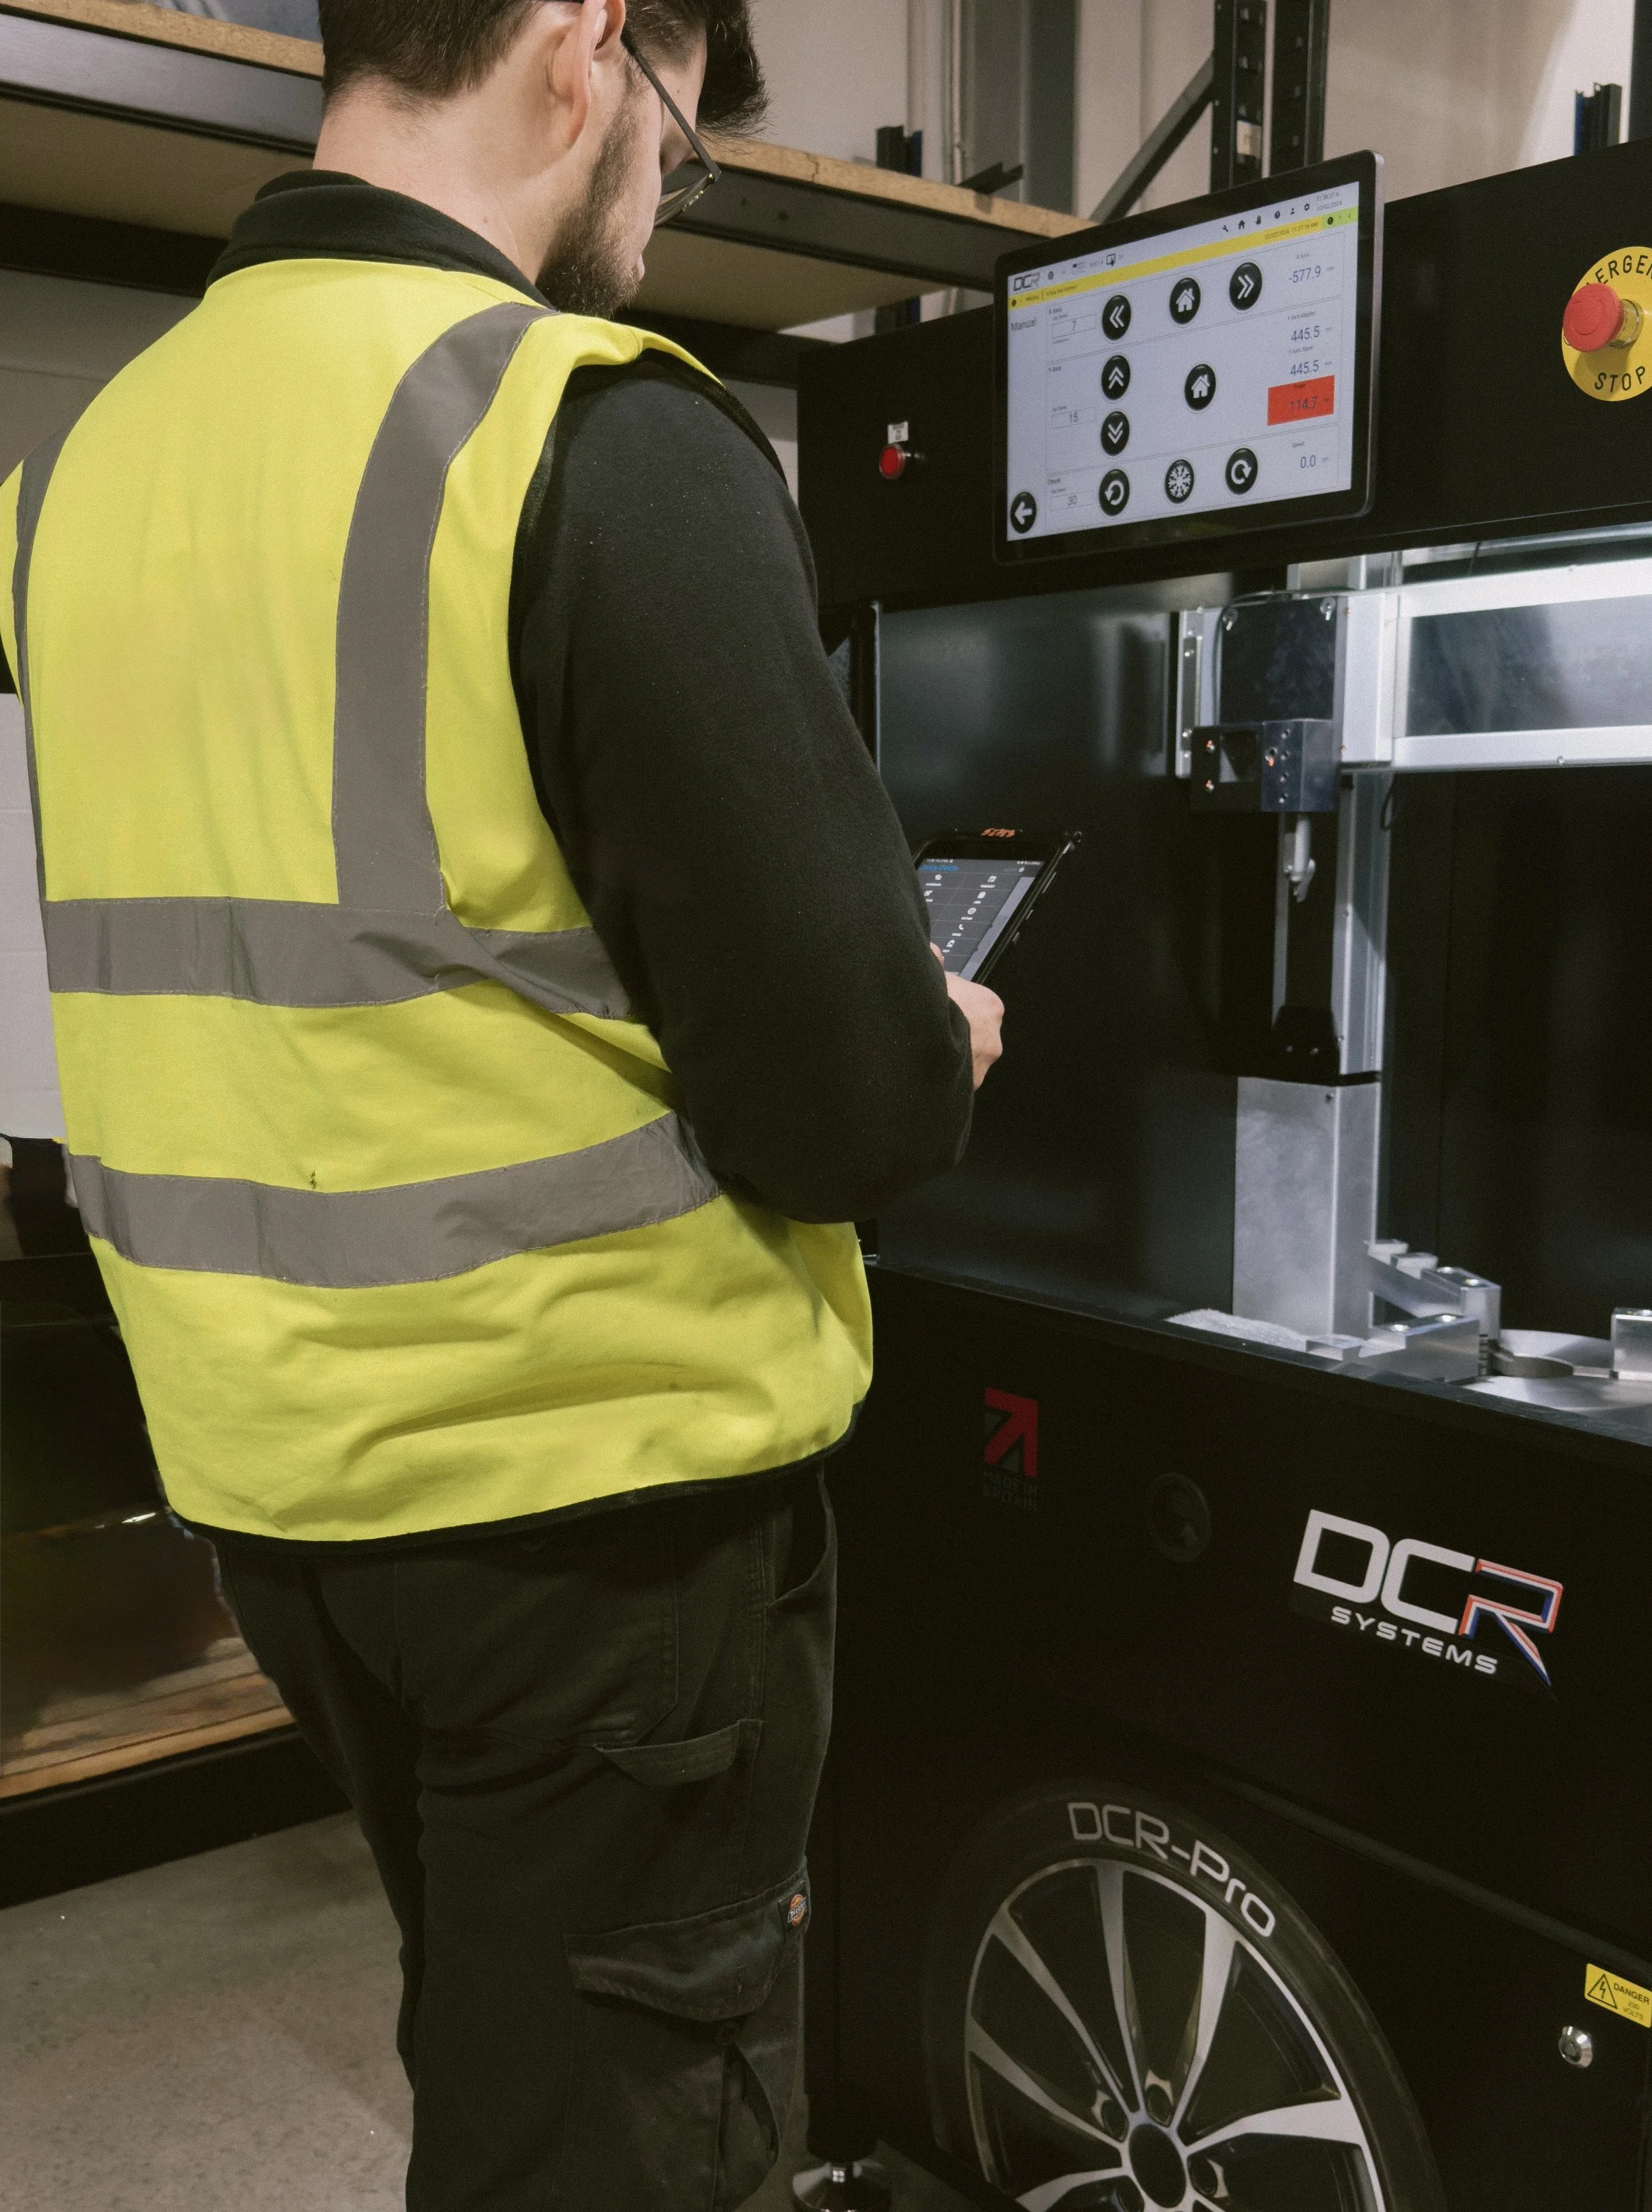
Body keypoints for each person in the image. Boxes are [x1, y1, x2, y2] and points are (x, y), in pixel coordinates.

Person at [0, 1, 1004, 2203]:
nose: (665, 188)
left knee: (501, 2027)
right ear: (581, 45)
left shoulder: (82, 473)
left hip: (280, 1492)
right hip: (596, 1508)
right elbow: (843, 1109)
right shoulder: (590, 436)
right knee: (622, 2127)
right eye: (677, 130)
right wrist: (932, 1029)